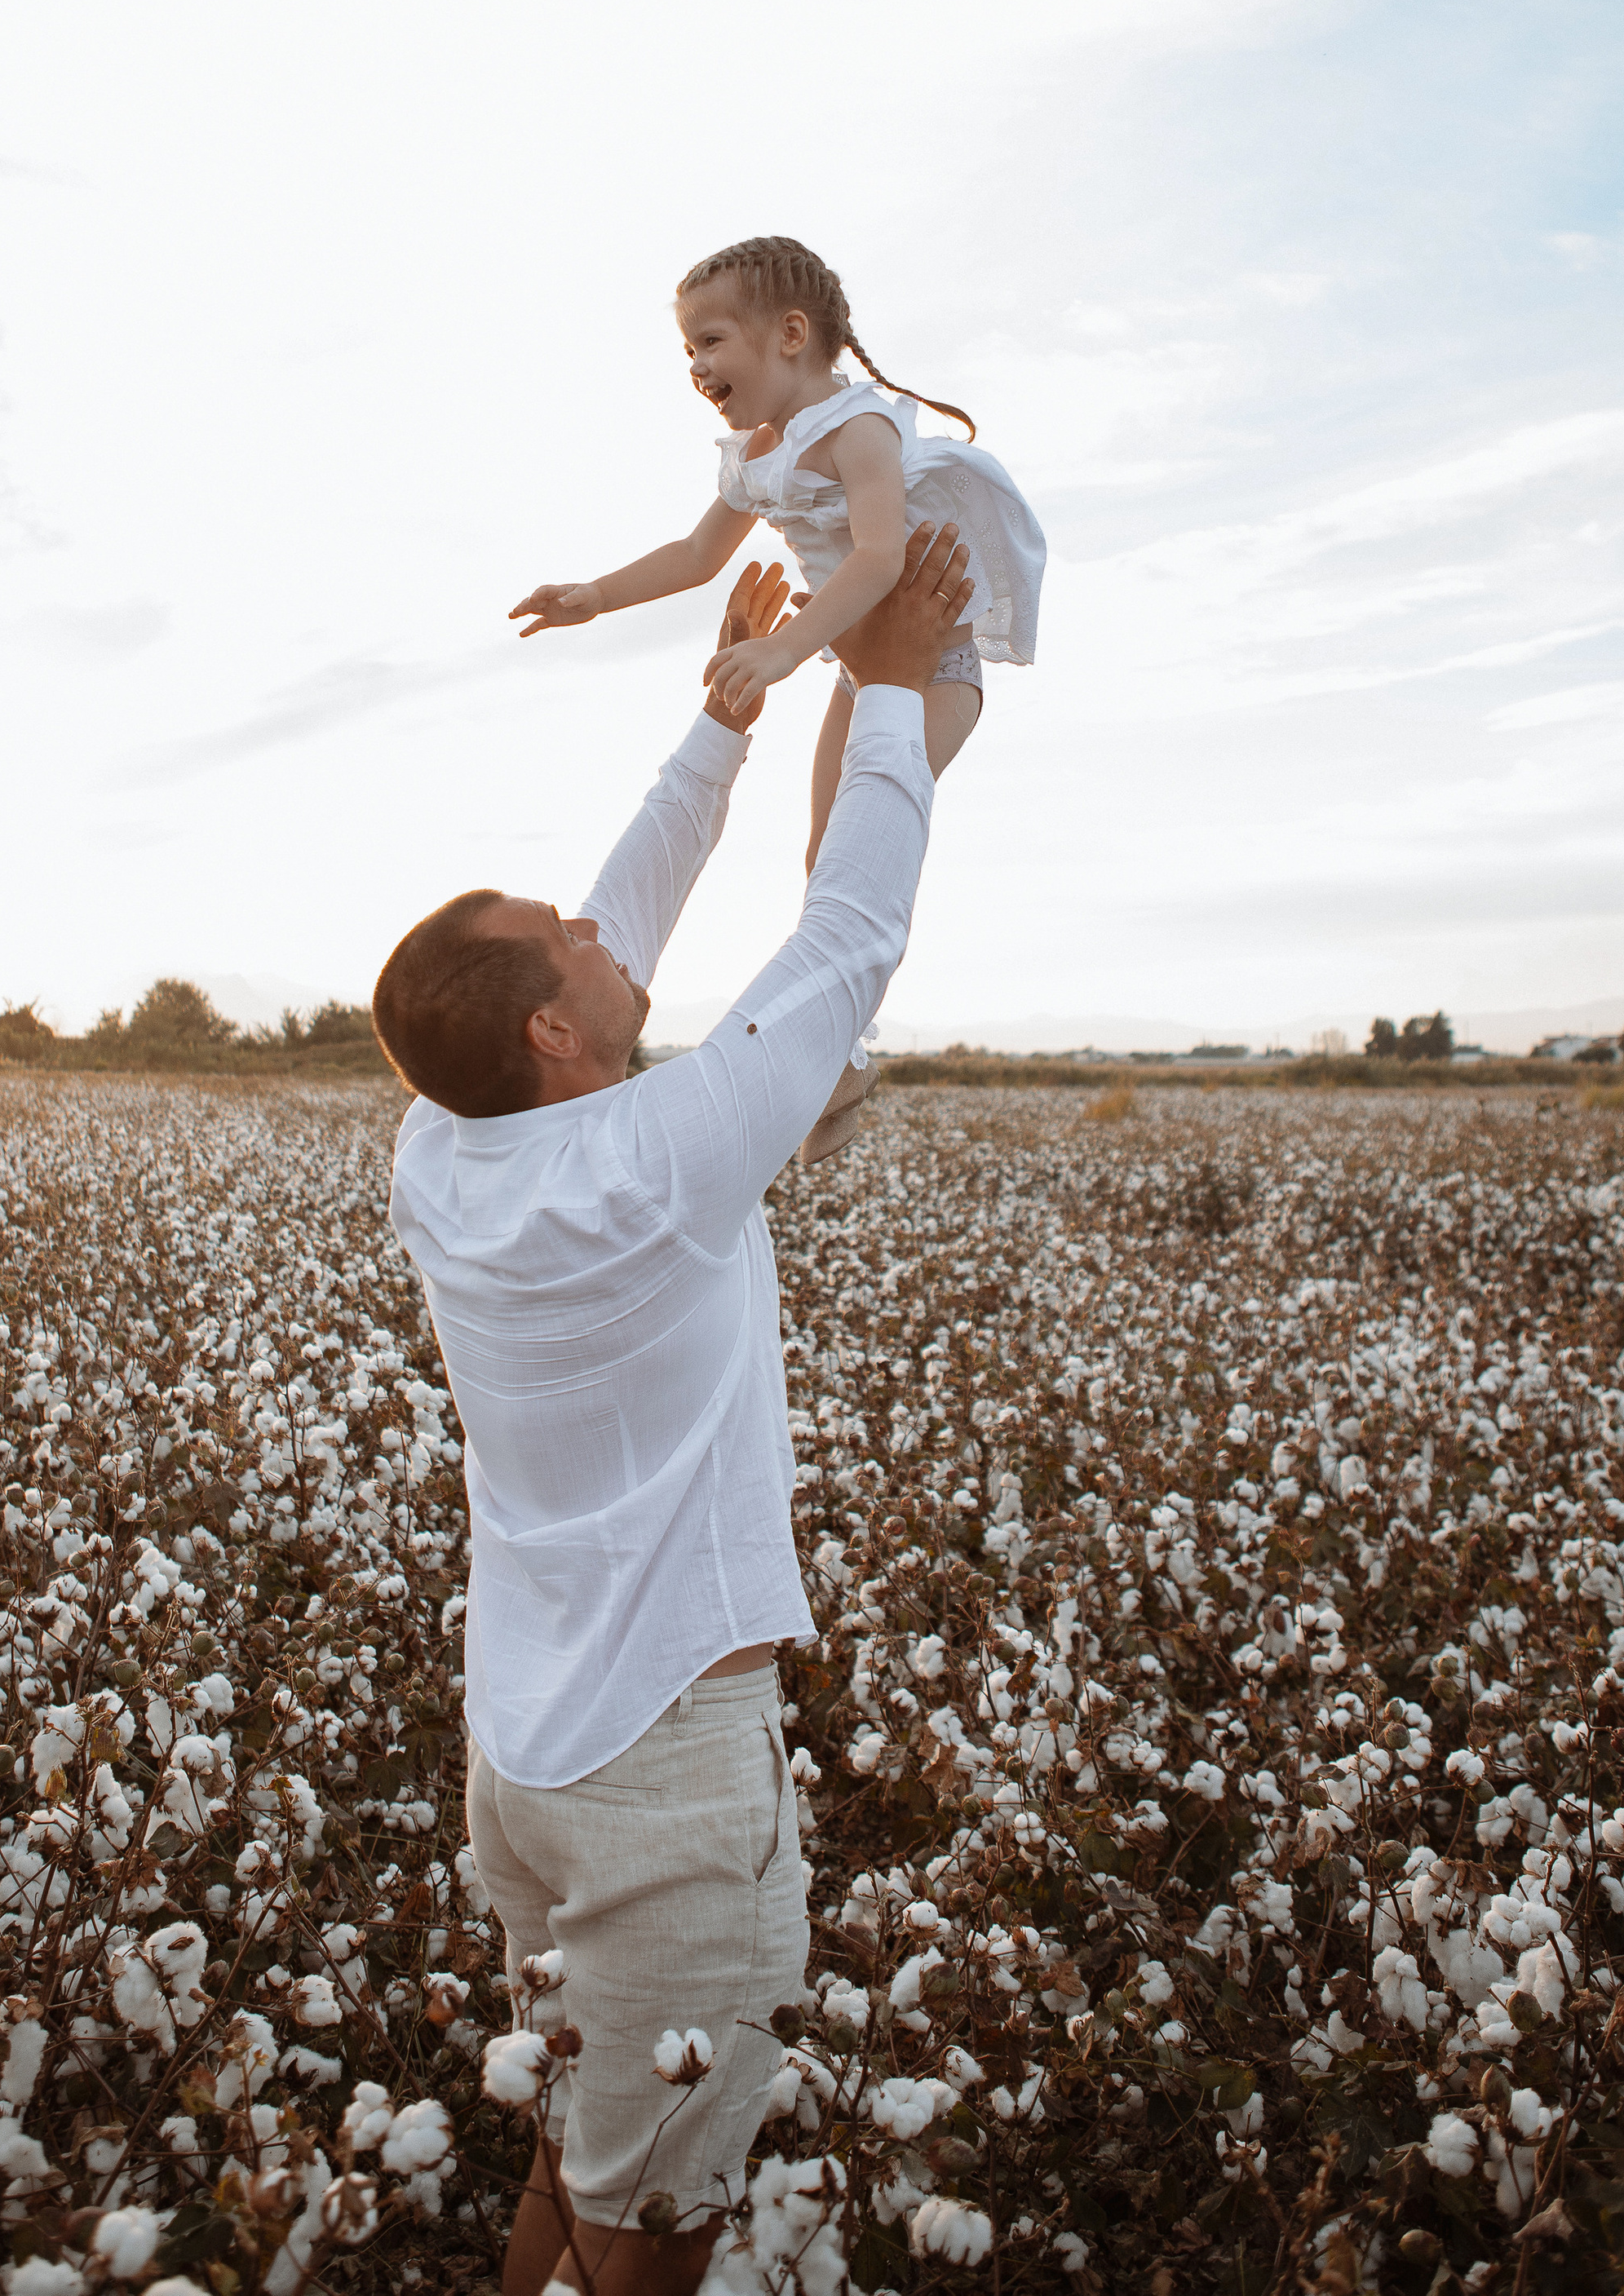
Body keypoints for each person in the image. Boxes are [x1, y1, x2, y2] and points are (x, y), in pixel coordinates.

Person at [373, 524, 976, 2296]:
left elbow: (610, 920)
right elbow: (852, 925)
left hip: (528, 1756)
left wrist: (725, 710)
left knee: (573, 2158)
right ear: (557, 1035)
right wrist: (872, 683)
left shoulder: (445, 1144)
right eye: (561, 942)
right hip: (667, 1782)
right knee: (657, 2229)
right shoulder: (659, 1160)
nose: (591, 923)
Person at [507, 234, 1045, 1159]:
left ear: (790, 333)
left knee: (855, 847)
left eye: (710, 342)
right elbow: (695, 555)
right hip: (860, 668)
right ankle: (841, 1058)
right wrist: (594, 595)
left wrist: (789, 648)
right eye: (686, 351)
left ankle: (834, 1054)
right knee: (821, 856)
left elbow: (879, 557)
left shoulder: (858, 430)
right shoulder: (757, 453)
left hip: (931, 671)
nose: (695, 367)